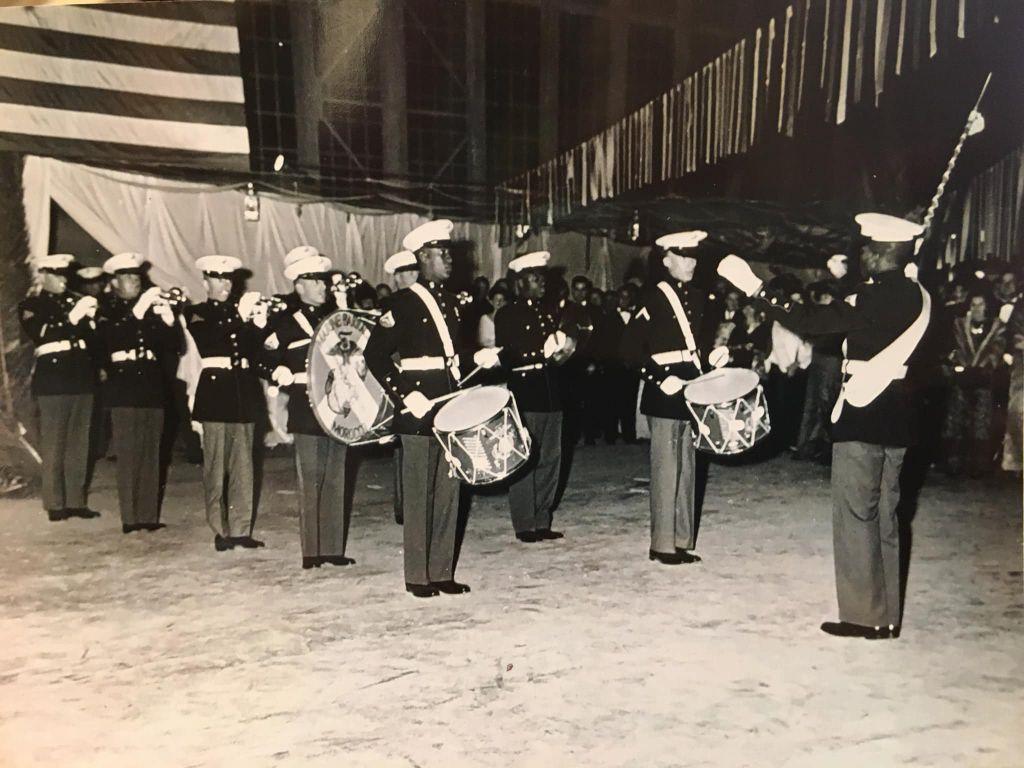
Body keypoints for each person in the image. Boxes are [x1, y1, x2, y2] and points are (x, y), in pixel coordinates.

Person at [718, 212, 932, 639]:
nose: (862, 256)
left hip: (864, 411)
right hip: (900, 416)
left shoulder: (874, 298)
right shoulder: (918, 295)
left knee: (856, 515)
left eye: (868, 249)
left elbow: (810, 323)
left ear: (880, 252)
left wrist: (757, 289)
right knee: (886, 517)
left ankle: (861, 617)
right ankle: (887, 616)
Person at [364, 220, 500, 598]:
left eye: (450, 254)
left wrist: (481, 356)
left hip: (450, 404)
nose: (450, 261)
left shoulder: (453, 303)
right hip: (419, 408)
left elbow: (453, 355)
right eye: (442, 255)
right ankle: (417, 576)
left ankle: (441, 571)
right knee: (420, 494)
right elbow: (374, 355)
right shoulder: (402, 304)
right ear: (424, 258)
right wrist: (405, 395)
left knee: (448, 492)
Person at [623, 231, 727, 566]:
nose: (691, 263)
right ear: (666, 259)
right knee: (667, 469)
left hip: (691, 390)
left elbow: (693, 350)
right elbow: (628, 350)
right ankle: (662, 544)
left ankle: (682, 539)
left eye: (694, 257)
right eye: (684, 256)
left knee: (688, 469)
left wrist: (714, 358)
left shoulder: (698, 298)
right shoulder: (654, 298)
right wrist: (658, 378)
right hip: (665, 392)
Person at [263, 250, 355, 569]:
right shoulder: (285, 322)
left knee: (336, 476)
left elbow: (352, 351)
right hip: (305, 404)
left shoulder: (335, 318)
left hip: (337, 404)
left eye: (324, 281)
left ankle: (332, 548)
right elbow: (263, 355)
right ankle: (312, 551)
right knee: (311, 477)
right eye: (315, 281)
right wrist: (277, 373)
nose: (323, 287)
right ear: (299, 285)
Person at [185, 255, 269, 552]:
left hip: (243, 392)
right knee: (216, 467)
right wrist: (240, 318)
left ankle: (241, 529)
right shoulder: (196, 312)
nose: (225, 284)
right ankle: (220, 530)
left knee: (244, 467)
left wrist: (259, 325)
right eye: (218, 278)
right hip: (216, 394)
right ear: (205, 281)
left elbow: (255, 352)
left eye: (228, 279)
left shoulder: (240, 312)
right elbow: (209, 339)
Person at [95, 252, 182, 533]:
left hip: (152, 387)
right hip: (124, 386)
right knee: (129, 454)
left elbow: (175, 347)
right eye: (128, 277)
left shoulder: (149, 310)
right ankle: (130, 518)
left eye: (136, 277)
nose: (134, 281)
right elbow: (111, 338)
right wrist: (138, 311)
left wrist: (169, 320)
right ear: (115, 281)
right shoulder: (106, 308)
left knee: (151, 453)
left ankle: (148, 516)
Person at [495, 251, 575, 542]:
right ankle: (525, 523)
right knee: (525, 458)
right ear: (519, 283)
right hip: (527, 392)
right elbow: (508, 354)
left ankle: (542, 518)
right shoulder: (507, 313)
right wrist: (537, 353)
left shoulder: (549, 311)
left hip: (552, 391)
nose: (542, 282)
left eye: (543, 276)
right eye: (535, 277)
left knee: (551, 458)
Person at [18, 254, 100, 521]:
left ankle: (76, 501)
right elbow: (41, 333)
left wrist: (90, 320)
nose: (64, 279)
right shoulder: (32, 304)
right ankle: (55, 503)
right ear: (43, 275)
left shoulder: (75, 300)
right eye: (57, 274)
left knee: (79, 443)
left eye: (65, 274)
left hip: (80, 377)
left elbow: (94, 340)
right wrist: (72, 319)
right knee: (54, 443)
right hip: (53, 380)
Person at [941, 289, 1007, 476]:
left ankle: (978, 465)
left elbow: (997, 351)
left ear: (988, 307)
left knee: (981, 423)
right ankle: (954, 463)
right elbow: (953, 348)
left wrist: (984, 366)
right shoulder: (959, 325)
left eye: (981, 304)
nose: (977, 308)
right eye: (973, 304)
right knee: (956, 420)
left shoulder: (997, 327)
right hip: (962, 379)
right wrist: (958, 364)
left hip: (984, 380)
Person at [382, 249, 420, 525]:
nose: (412, 277)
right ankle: (403, 506)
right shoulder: (392, 305)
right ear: (396, 278)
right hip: (399, 380)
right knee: (402, 447)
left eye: (414, 271)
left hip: (419, 379)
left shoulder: (424, 301)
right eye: (406, 273)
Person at [795, 282, 844, 463]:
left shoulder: (837, 314)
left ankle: (827, 449)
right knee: (814, 403)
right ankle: (806, 447)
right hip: (821, 358)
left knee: (826, 404)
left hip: (830, 361)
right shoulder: (826, 314)